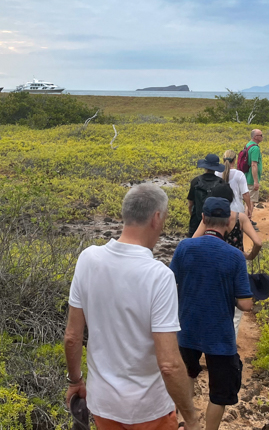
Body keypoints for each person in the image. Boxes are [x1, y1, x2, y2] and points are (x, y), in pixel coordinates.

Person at [64, 184, 202, 430]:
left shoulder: (88, 259)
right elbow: (169, 364)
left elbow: (73, 338)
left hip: (104, 405)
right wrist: (191, 418)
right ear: (156, 217)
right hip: (150, 410)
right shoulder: (159, 276)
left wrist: (75, 381)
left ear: (125, 214)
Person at [170, 197, 253, 430]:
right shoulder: (235, 256)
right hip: (220, 334)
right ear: (228, 222)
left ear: (204, 219)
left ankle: (186, 423)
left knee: (186, 375)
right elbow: (245, 305)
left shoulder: (185, 247)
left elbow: (169, 283)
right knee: (220, 391)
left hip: (187, 327)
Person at [191, 184, 261, 339]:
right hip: (236, 264)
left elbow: (193, 242)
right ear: (231, 200)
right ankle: (230, 345)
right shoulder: (239, 218)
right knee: (236, 313)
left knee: (214, 302)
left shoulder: (208, 219)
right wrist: (249, 256)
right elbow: (258, 242)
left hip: (213, 264)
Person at [187, 154, 225, 236]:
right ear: (216, 168)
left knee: (193, 244)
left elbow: (190, 204)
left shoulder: (195, 181)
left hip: (196, 221)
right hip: (215, 223)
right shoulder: (221, 183)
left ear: (205, 167)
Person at [216, 149, 253, 219]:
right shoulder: (239, 174)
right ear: (234, 160)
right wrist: (249, 208)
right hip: (236, 210)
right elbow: (245, 194)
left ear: (223, 159)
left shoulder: (217, 173)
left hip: (220, 209)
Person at [244, 129, 263, 213]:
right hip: (251, 179)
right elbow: (254, 164)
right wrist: (256, 181)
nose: (262, 137)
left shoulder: (247, 145)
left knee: (247, 200)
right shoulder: (255, 148)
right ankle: (247, 221)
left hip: (246, 176)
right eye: (261, 135)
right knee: (251, 202)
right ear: (255, 137)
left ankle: (246, 221)